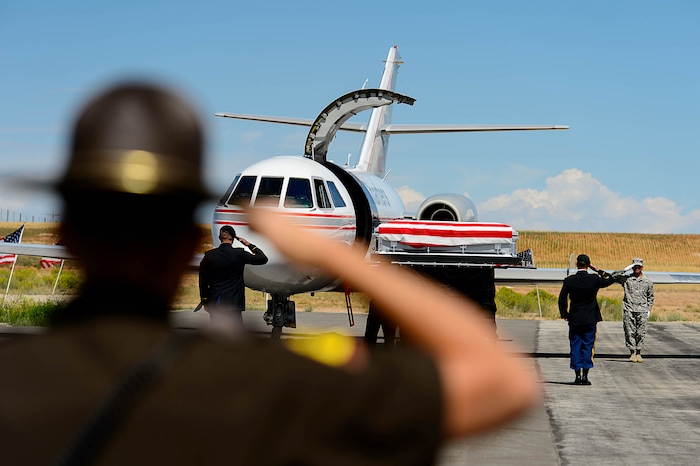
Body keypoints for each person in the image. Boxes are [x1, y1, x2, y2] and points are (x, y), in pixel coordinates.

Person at [0, 81, 539, 465]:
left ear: (66, 233)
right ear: (191, 238)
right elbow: (497, 383)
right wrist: (350, 257)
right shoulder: (273, 387)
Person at [558, 254, 615, 385]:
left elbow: (562, 298)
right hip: (590, 318)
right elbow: (610, 279)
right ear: (588, 265)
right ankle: (585, 375)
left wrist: (564, 313)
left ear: (577, 264)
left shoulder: (570, 280)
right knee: (588, 346)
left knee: (575, 345)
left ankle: (577, 375)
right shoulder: (594, 279)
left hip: (575, 318)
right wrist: (598, 270)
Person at [199, 224, 268, 332]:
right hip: (233, 304)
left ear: (219, 238)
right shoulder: (239, 254)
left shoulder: (209, 255)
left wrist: (205, 300)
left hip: (215, 303)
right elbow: (262, 259)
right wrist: (248, 244)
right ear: (233, 238)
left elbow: (203, 281)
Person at [610, 258, 655, 362]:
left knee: (640, 332)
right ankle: (632, 352)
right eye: (635, 267)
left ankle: (639, 352)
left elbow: (651, 297)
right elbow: (613, 276)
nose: (637, 269)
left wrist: (648, 309)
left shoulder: (647, 281)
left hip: (642, 310)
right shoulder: (626, 279)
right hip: (629, 309)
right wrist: (626, 269)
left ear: (642, 268)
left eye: (639, 267)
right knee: (629, 332)